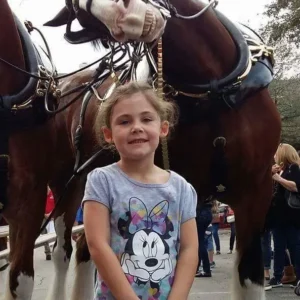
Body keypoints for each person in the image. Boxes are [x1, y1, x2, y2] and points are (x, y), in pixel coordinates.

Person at [82, 82, 198, 299]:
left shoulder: (181, 188)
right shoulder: (102, 181)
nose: (136, 127)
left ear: (163, 128)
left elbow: (189, 249)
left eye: (146, 119)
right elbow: (97, 244)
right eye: (124, 121)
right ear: (108, 134)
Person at [265, 143, 300, 296]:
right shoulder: (281, 169)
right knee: (278, 247)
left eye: (276, 153)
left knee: (294, 247)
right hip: (278, 217)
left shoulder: (294, 168)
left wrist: (277, 178)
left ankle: (298, 276)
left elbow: (295, 187)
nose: (274, 156)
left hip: (291, 216)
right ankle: (277, 276)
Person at [195, 201, 213, 278]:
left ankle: (206, 270)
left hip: (200, 213)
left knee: (199, 242)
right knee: (200, 241)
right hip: (207, 212)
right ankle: (198, 268)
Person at [43, 186, 55, 261]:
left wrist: (51, 214)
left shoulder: (53, 193)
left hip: (53, 215)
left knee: (55, 234)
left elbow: (57, 204)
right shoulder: (41, 195)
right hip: (43, 216)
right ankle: (48, 252)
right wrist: (45, 214)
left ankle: (55, 250)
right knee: (44, 233)